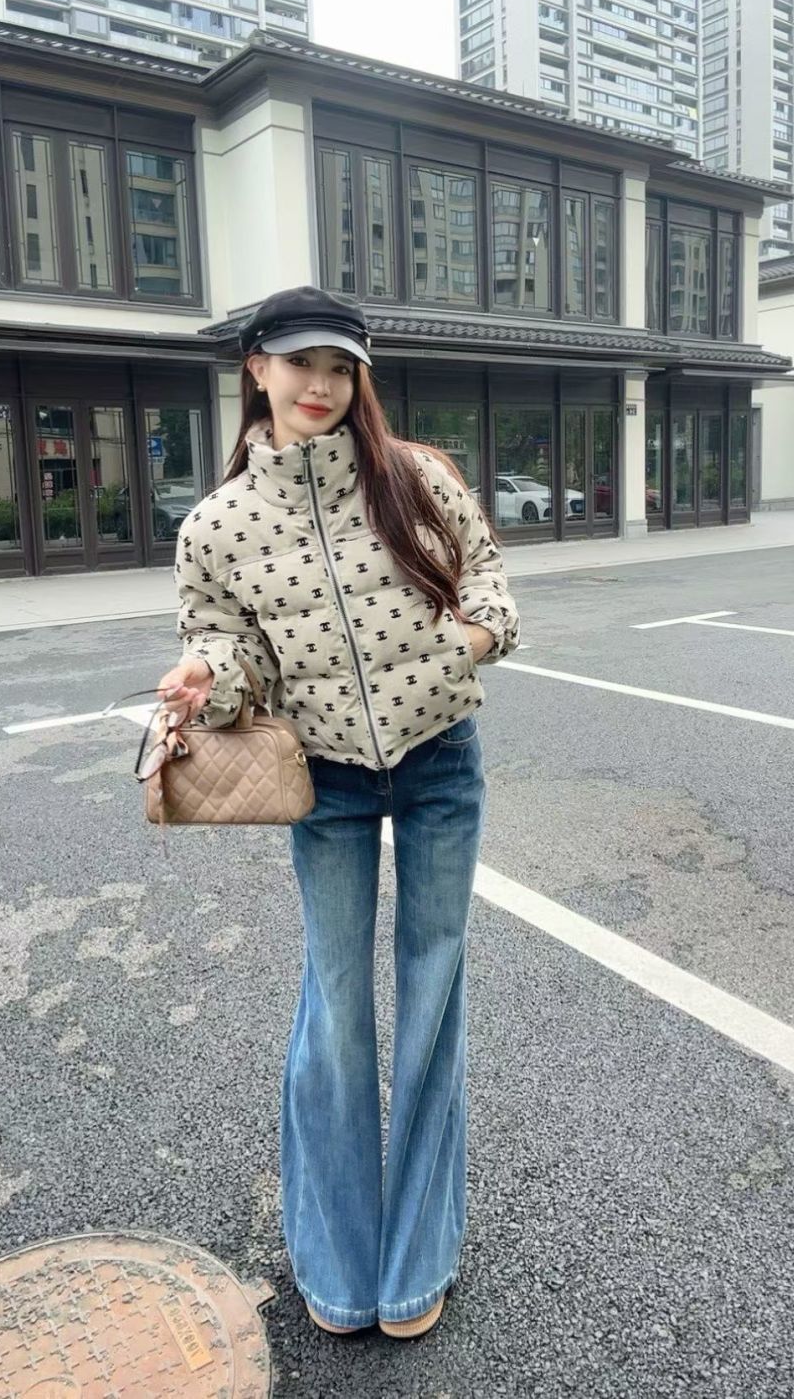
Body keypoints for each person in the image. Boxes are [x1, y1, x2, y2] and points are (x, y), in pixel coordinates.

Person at [156, 286, 520, 1339]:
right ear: (256, 368)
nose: (320, 384)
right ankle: (338, 1259)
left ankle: (414, 1266)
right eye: (299, 362)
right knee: (336, 1003)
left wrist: (454, 652)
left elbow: (492, 590)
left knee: (434, 989)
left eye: (340, 366)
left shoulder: (417, 475)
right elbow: (233, 653)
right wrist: (204, 678)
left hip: (442, 758)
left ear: (360, 376)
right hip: (328, 778)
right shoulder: (217, 524)